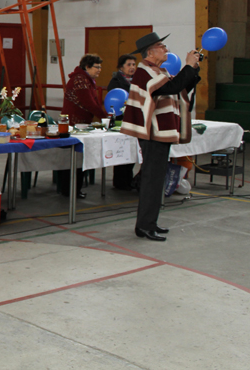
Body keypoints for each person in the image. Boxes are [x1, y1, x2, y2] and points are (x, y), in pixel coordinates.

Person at [121, 32, 200, 242]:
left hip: (159, 133)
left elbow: (179, 89)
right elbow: (170, 87)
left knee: (156, 179)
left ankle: (149, 223)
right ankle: (144, 225)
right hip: (153, 134)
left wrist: (193, 69)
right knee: (152, 179)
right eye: (161, 46)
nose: (166, 49)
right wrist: (188, 66)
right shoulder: (145, 72)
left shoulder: (158, 71)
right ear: (150, 52)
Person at [59, 54, 110, 199]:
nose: (99, 70)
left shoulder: (87, 79)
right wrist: (105, 118)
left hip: (82, 123)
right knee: (75, 159)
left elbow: (93, 102)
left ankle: (72, 189)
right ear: (87, 67)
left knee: (77, 158)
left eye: (100, 67)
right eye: (97, 67)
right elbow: (89, 103)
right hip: (74, 124)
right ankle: (71, 190)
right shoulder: (80, 80)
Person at [106, 54, 138, 190]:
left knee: (131, 150)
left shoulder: (137, 81)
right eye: (128, 65)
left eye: (134, 64)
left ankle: (128, 179)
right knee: (121, 150)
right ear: (121, 67)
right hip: (120, 120)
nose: (132, 67)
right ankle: (120, 181)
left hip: (134, 119)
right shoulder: (116, 82)